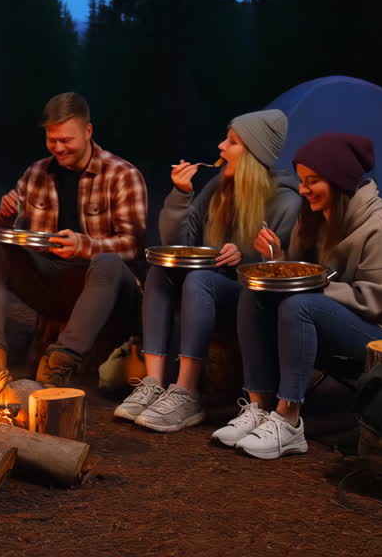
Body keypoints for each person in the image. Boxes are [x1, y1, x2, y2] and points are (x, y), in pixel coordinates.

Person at [217, 132, 382, 459]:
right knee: (256, 291)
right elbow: (302, 274)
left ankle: (289, 421)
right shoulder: (316, 217)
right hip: (335, 317)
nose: (303, 189)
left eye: (313, 181)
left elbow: (371, 301)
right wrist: (277, 260)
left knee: (300, 305)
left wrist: (307, 284)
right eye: (302, 180)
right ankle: (258, 407)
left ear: (339, 180)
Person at [116, 110, 302, 432]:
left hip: (247, 302)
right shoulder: (219, 187)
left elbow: (284, 273)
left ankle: (186, 391)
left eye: (232, 142)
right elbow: (178, 244)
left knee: (200, 279)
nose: (220, 147)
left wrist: (245, 258)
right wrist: (180, 195)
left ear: (254, 154)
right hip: (204, 293)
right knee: (160, 270)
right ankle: (153, 382)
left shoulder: (286, 202)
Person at [0, 93, 148, 388]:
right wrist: (5, 217)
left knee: (106, 262)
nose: (59, 148)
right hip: (53, 282)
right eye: (52, 140)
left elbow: (132, 246)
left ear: (88, 131)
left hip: (108, 288)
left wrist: (83, 246)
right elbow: (9, 237)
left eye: (66, 140)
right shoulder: (37, 173)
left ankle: (60, 361)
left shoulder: (122, 175)